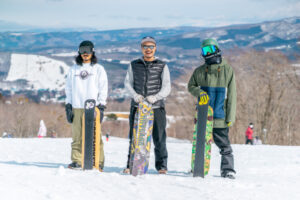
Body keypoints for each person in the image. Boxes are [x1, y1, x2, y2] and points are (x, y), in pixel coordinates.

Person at [188, 38, 237, 179]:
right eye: (205, 50)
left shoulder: (228, 71)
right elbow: (191, 86)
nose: (208, 53)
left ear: (217, 49)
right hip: (204, 115)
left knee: (224, 145)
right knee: (200, 144)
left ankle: (228, 170)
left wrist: (230, 117)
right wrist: (200, 93)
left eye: (210, 49)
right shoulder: (199, 71)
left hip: (220, 115)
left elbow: (232, 95)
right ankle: (198, 167)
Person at [123, 36, 171, 174]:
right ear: (141, 48)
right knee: (135, 137)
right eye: (145, 46)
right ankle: (130, 164)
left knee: (159, 137)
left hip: (156, 107)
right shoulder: (134, 65)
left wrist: (155, 97)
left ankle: (162, 166)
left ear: (155, 48)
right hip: (138, 107)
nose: (148, 49)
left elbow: (167, 86)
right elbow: (127, 83)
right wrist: (135, 96)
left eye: (151, 46)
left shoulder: (162, 65)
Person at [65, 40, 108, 171]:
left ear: (92, 51)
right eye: (82, 50)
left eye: (88, 50)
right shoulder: (73, 69)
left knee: (96, 135)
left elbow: (103, 88)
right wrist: (68, 105)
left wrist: (101, 105)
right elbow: (68, 89)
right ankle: (77, 160)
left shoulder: (98, 69)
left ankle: (98, 161)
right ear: (79, 52)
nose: (85, 53)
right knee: (77, 135)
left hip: (93, 107)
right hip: (77, 106)